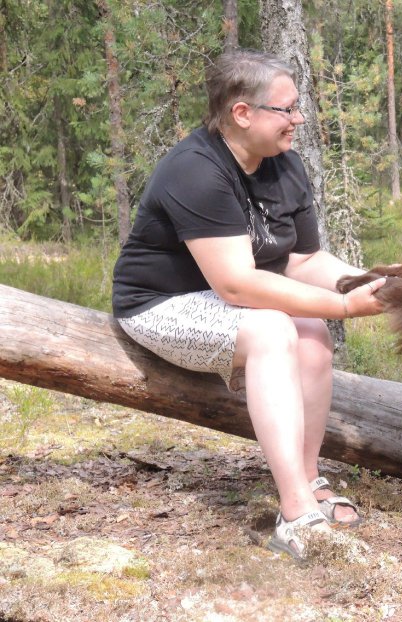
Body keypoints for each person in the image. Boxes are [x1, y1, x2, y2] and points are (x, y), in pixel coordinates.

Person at [112, 49, 386, 559]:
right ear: (243, 113)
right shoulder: (195, 170)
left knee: (313, 333)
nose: (298, 120)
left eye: (297, 107)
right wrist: (346, 308)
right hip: (159, 304)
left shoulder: (285, 166)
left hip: (226, 297)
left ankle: (308, 477)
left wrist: (368, 284)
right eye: (286, 110)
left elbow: (303, 260)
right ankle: (296, 511)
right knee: (273, 331)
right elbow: (237, 285)